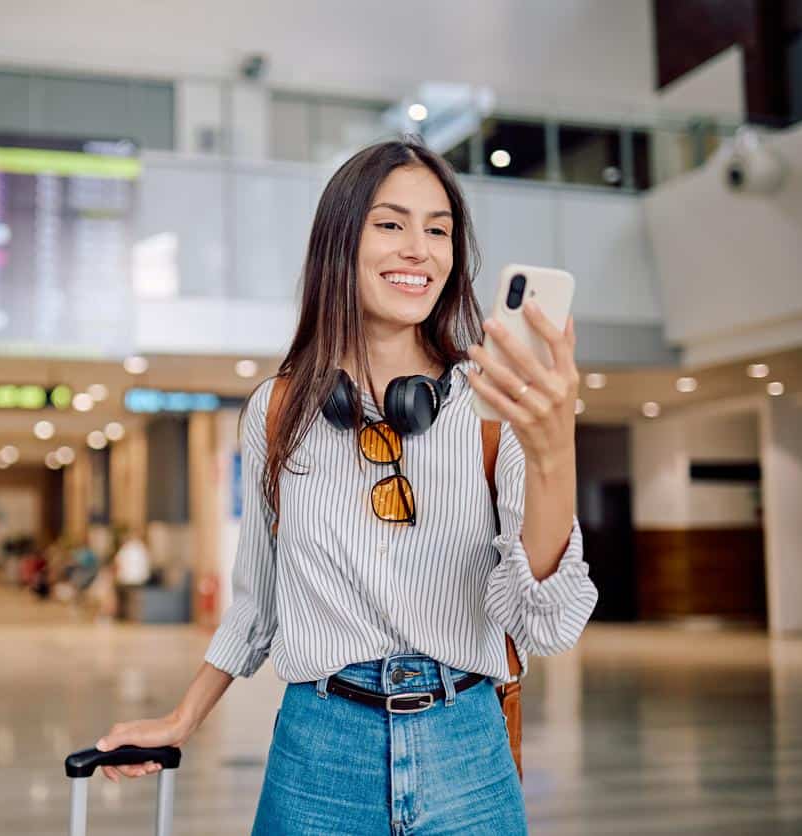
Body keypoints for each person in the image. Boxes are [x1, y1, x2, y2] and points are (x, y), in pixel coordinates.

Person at [93, 139, 598, 835]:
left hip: (467, 754)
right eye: (391, 224)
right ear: (341, 240)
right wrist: (184, 718)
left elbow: (543, 619)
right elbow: (256, 607)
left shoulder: (491, 407)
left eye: (439, 229)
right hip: (318, 754)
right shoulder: (278, 410)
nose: (419, 248)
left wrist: (552, 453)